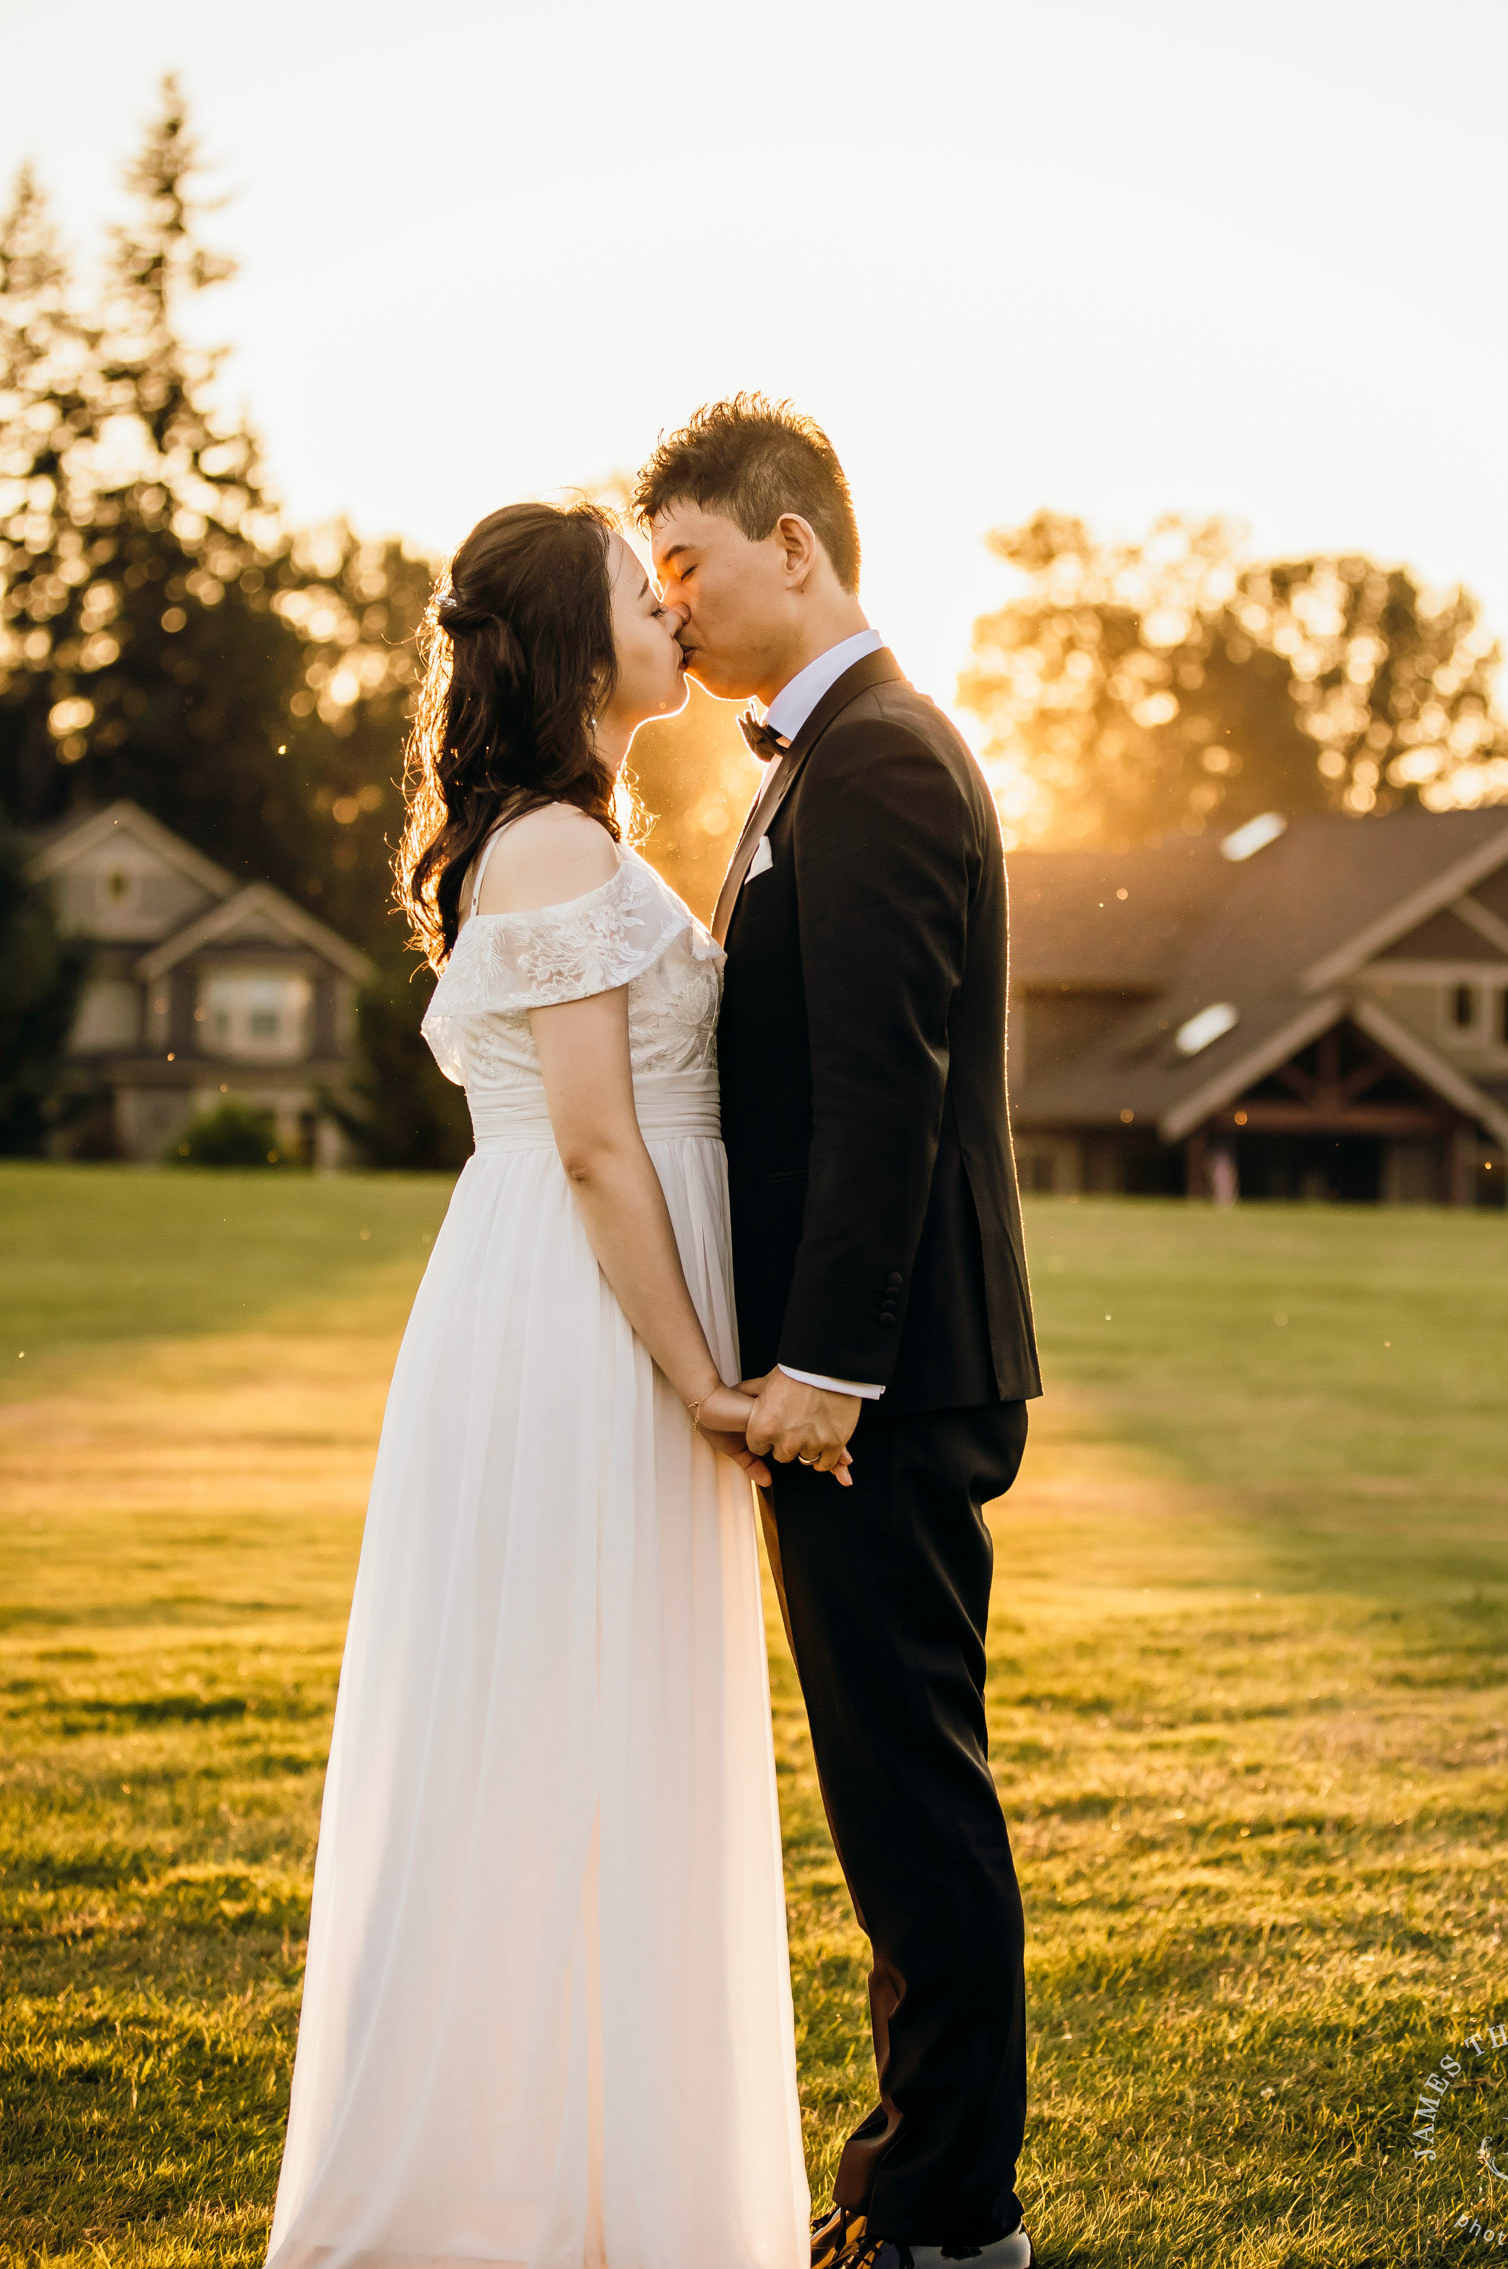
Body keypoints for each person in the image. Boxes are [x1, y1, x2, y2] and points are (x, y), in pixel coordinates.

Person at [264, 499, 815, 2269]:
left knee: (599, 1733)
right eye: (635, 600)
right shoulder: (558, 856)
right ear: (579, 657)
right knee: (560, 1727)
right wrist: (705, 1381)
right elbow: (593, 1145)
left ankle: (591, 2175)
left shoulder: (571, 836)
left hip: (583, 1309)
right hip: (587, 1327)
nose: (669, 614)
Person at [639, 397, 1042, 2269]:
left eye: (691, 564)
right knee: (892, 1796)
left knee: (912, 1796)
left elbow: (886, 1088)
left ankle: (948, 2217)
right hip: (875, 1375)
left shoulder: (877, 761)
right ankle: (912, 2177)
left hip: (891, 1379)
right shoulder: (817, 762)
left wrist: (826, 1368)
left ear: (794, 543)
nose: (679, 605)